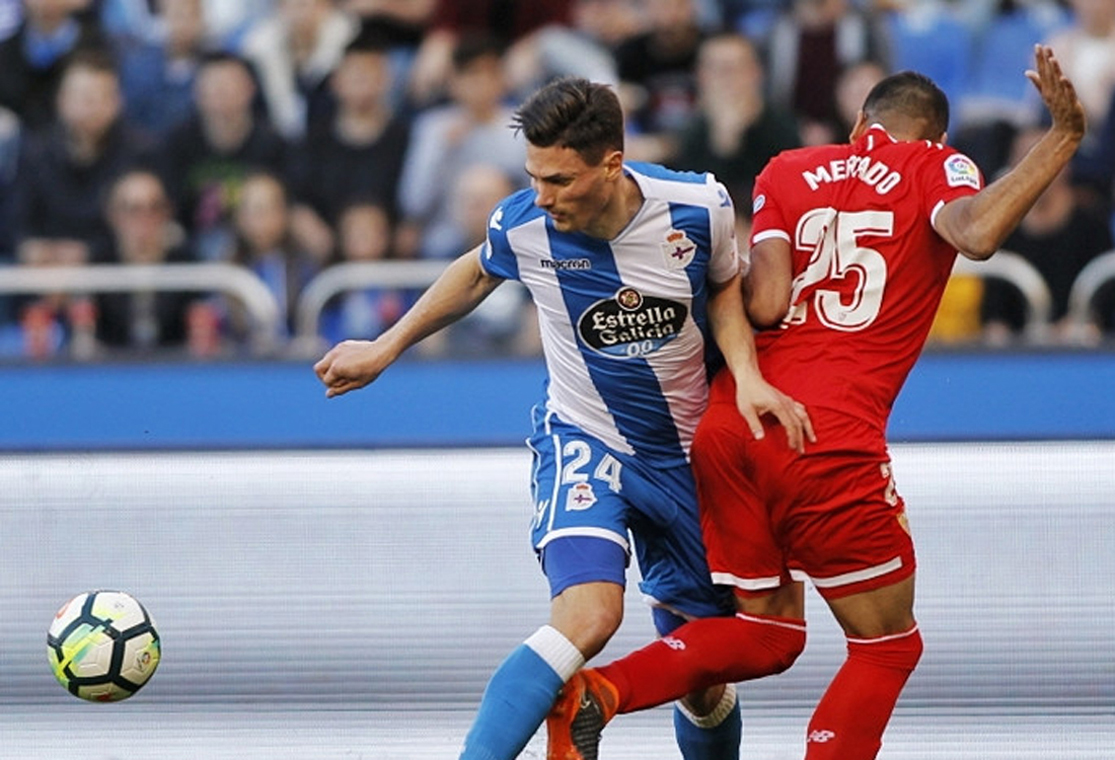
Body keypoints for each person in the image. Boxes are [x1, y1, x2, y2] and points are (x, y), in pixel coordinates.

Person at [546, 45, 1085, 760]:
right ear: (937, 136)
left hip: (733, 420)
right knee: (887, 645)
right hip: (823, 435)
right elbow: (975, 231)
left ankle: (599, 692)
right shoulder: (936, 167)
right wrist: (1061, 137)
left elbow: (764, 302)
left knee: (768, 634)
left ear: (860, 119)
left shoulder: (787, 168)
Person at [314, 76, 812, 760]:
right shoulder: (525, 224)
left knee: (700, 675)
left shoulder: (696, 206)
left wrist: (748, 377)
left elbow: (725, 286)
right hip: (586, 441)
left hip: (692, 461)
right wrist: (387, 346)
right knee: (589, 615)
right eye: (534, 177)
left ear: (612, 164)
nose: (542, 197)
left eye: (559, 180)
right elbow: (476, 270)